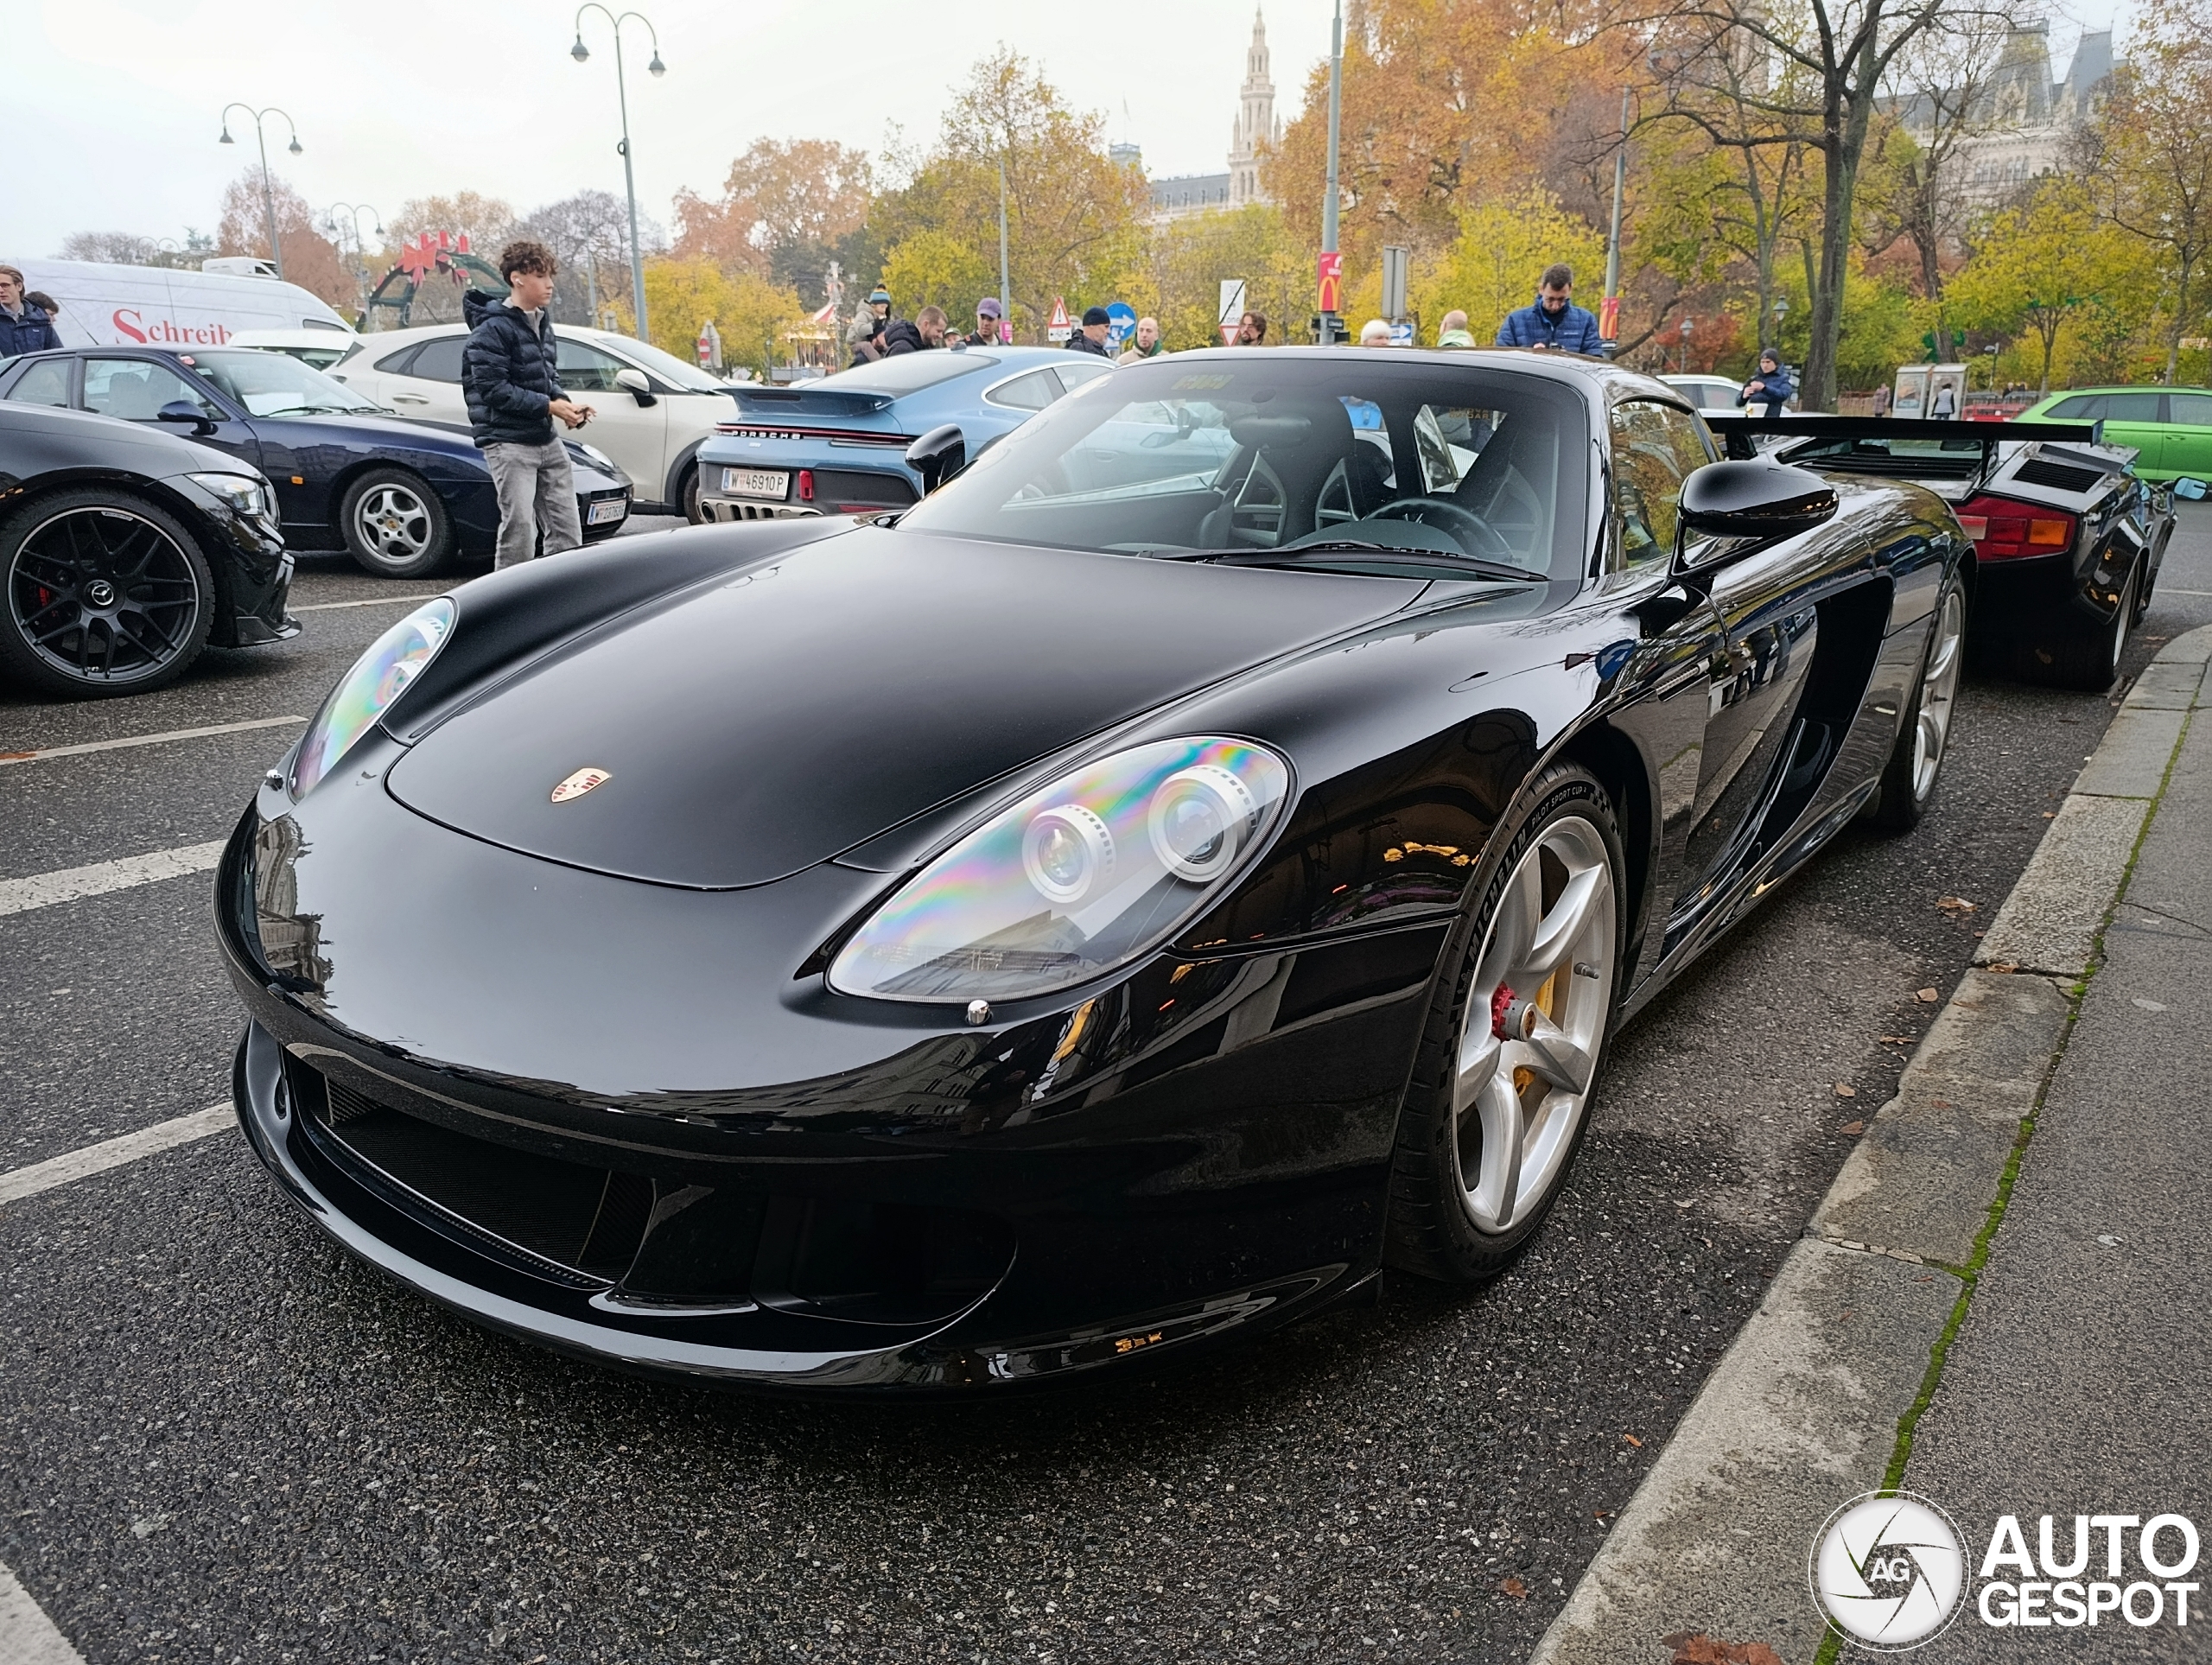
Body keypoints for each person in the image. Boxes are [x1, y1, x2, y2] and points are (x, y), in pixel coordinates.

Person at [461, 240, 592, 571]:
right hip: (507, 443)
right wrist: (550, 407)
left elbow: (546, 376)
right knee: (520, 528)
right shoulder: (489, 331)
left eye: (550, 276)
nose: (549, 284)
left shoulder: (541, 323)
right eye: (541, 276)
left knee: (567, 532)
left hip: (546, 439)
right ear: (517, 278)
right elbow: (494, 391)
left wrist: (564, 403)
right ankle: (507, 603)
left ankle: (563, 597)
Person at [1494, 264, 1604, 354]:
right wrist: (1529, 356)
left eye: (1561, 299)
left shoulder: (1586, 321)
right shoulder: (1515, 321)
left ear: (1570, 290)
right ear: (1541, 289)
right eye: (1550, 299)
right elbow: (1502, 362)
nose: (1555, 306)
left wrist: (1569, 360)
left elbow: (1594, 364)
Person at [0, 265, 62, 359]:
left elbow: (58, 356)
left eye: (5, 285)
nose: (1, 290)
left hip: (36, 374)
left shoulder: (40, 319)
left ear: (19, 286)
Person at [1738, 349, 1796, 416]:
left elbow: (1783, 395)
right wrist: (1743, 396)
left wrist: (1764, 389)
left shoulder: (1782, 378)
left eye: (1768, 362)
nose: (1765, 365)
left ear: (1776, 363)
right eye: (1762, 362)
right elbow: (1739, 403)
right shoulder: (1754, 378)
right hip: (1752, 415)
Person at [847, 287, 893, 365]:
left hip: (871, 342)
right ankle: (879, 364)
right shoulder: (863, 314)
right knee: (867, 346)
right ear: (874, 305)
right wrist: (873, 324)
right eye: (882, 307)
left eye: (886, 307)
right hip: (857, 342)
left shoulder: (879, 316)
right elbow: (860, 330)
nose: (884, 309)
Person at [880, 305, 948, 356]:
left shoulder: (924, 348)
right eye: (938, 331)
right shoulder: (903, 350)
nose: (941, 336)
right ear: (926, 325)